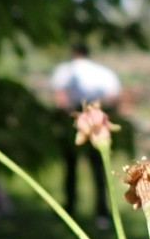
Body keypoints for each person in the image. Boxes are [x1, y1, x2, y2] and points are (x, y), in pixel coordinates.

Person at [49, 42, 123, 221]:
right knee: (99, 168)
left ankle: (70, 207)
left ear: (73, 52)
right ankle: (102, 212)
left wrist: (73, 116)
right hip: (98, 121)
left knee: (71, 167)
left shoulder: (65, 70)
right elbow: (115, 96)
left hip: (73, 120)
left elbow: (59, 97)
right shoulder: (102, 71)